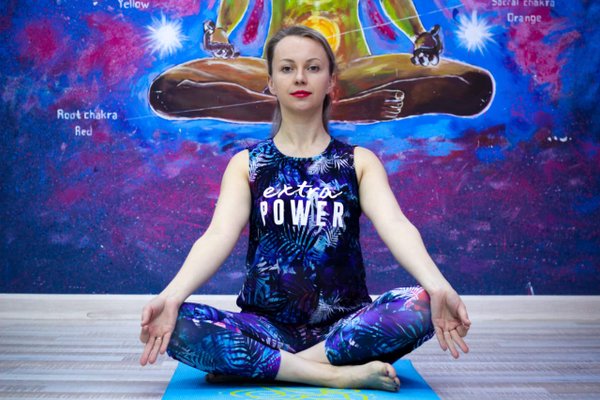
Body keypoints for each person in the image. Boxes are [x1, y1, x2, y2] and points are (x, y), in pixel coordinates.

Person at [139, 25, 471, 393]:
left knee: (422, 304)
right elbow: (217, 236)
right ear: (271, 82)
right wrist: (171, 296)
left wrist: (439, 285)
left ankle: (269, 367)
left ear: (331, 81)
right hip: (265, 329)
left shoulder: (359, 162)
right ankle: (332, 374)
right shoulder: (247, 164)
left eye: (313, 68)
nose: (300, 78)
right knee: (177, 324)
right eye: (287, 68)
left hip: (344, 331)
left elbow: (396, 224)